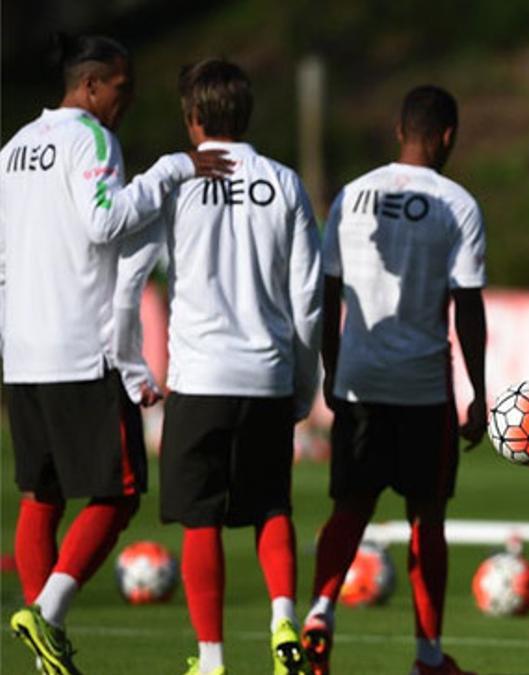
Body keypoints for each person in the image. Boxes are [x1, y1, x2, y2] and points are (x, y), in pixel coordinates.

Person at [1, 34, 230, 674]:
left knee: (39, 495)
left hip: (22, 347)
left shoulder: (13, 148)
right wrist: (169, 170)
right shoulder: (91, 141)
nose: (125, 104)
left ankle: (45, 650)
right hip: (81, 346)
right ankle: (45, 614)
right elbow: (104, 221)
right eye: (122, 91)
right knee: (119, 493)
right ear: (93, 85)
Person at [301, 85, 488, 675]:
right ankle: (428, 657)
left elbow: (328, 292)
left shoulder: (352, 195)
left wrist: (331, 370)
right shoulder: (456, 204)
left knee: (350, 507)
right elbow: (468, 309)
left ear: (397, 131)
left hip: (358, 381)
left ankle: (320, 613)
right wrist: (477, 393)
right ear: (448, 136)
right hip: (422, 389)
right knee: (425, 518)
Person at [143, 59, 322, 675]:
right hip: (267, 373)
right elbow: (308, 298)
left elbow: (135, 272)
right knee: (272, 507)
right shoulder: (284, 182)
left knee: (201, 520)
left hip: (199, 375)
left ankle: (213, 660)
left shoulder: (174, 184)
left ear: (193, 118)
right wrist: (304, 383)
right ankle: (282, 623)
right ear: (246, 115)